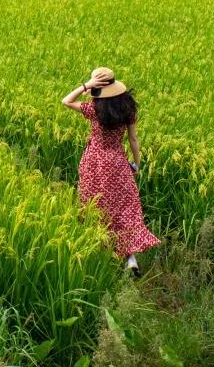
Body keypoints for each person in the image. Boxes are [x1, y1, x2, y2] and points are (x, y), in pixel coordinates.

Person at [62, 67, 160, 276]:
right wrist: (137, 163)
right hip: (117, 163)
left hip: (94, 163)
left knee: (94, 204)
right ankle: (130, 257)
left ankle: (99, 250)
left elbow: (66, 101)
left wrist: (86, 86)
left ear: (98, 89)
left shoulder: (94, 110)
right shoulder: (128, 110)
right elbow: (133, 140)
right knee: (124, 207)